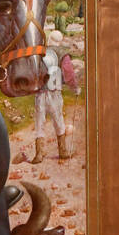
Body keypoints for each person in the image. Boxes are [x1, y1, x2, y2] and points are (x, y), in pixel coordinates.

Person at [30, 27, 73, 163]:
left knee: (39, 122)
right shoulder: (63, 54)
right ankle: (63, 151)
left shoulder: (41, 52)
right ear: (60, 41)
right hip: (55, 92)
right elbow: (69, 72)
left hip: (40, 93)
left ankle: (39, 153)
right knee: (58, 120)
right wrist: (74, 87)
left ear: (49, 39)